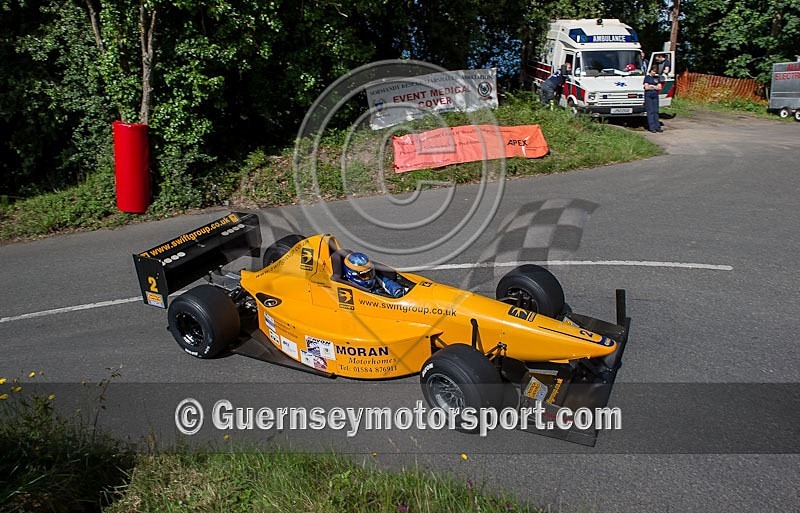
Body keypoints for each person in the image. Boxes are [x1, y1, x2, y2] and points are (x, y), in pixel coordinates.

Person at [643, 65, 663, 133]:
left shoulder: (657, 78)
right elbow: (646, 87)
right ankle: (652, 127)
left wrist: (652, 86)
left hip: (655, 95)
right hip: (648, 95)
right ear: (650, 71)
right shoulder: (647, 78)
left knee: (656, 111)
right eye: (653, 71)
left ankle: (657, 127)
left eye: (655, 71)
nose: (654, 73)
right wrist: (655, 86)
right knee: (650, 111)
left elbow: (659, 87)